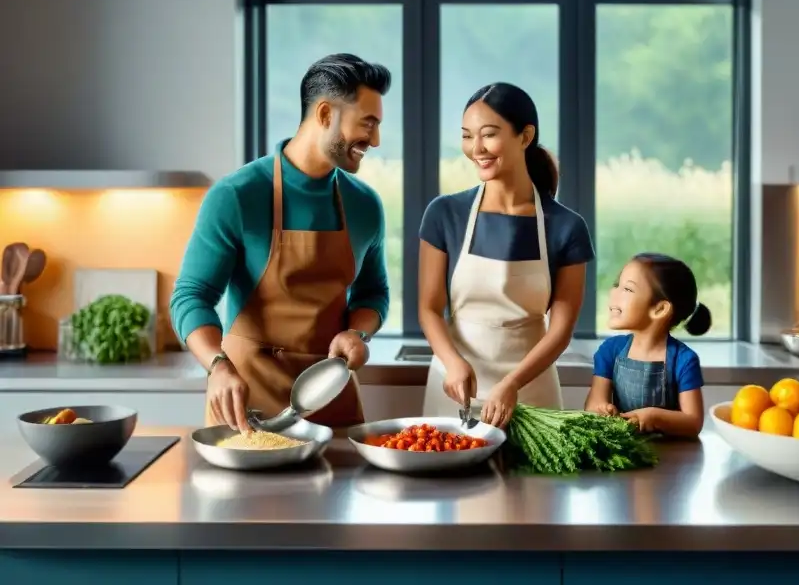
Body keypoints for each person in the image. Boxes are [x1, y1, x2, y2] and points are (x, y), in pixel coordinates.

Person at [170, 53, 392, 434]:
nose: (375, 139)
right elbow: (191, 296)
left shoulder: (365, 204)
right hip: (247, 404)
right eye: (367, 124)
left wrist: (356, 332)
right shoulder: (237, 195)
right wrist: (218, 367)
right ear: (325, 114)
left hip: (330, 395)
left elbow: (374, 293)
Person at [419, 82, 594, 428]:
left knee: (532, 482)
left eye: (488, 135)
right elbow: (428, 308)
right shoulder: (445, 213)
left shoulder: (566, 227)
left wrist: (512, 383)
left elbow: (560, 331)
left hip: (531, 390)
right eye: (467, 136)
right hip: (454, 387)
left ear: (525, 136)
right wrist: (453, 363)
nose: (476, 148)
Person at [584, 253, 711, 438]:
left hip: (674, 459)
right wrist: (601, 410)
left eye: (627, 289)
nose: (613, 293)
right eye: (616, 285)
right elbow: (593, 404)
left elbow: (693, 422)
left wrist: (654, 417)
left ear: (659, 309)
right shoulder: (610, 351)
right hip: (626, 450)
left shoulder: (684, 360)